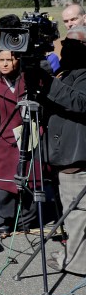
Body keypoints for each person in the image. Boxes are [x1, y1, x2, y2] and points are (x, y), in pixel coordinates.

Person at [42, 25, 86, 276]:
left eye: (73, 44)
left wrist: (48, 81)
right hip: (63, 155)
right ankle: (74, 254)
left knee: (77, 213)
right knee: (71, 213)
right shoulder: (68, 72)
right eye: (64, 43)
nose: (66, 48)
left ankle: (78, 264)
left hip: (77, 159)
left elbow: (80, 102)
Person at [0, 49, 39, 237]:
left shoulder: (28, 79)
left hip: (29, 134)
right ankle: (2, 222)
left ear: (18, 60)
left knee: (30, 178)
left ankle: (26, 220)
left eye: (9, 59)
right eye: (1, 60)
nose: (5, 64)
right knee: (3, 180)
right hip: (4, 136)